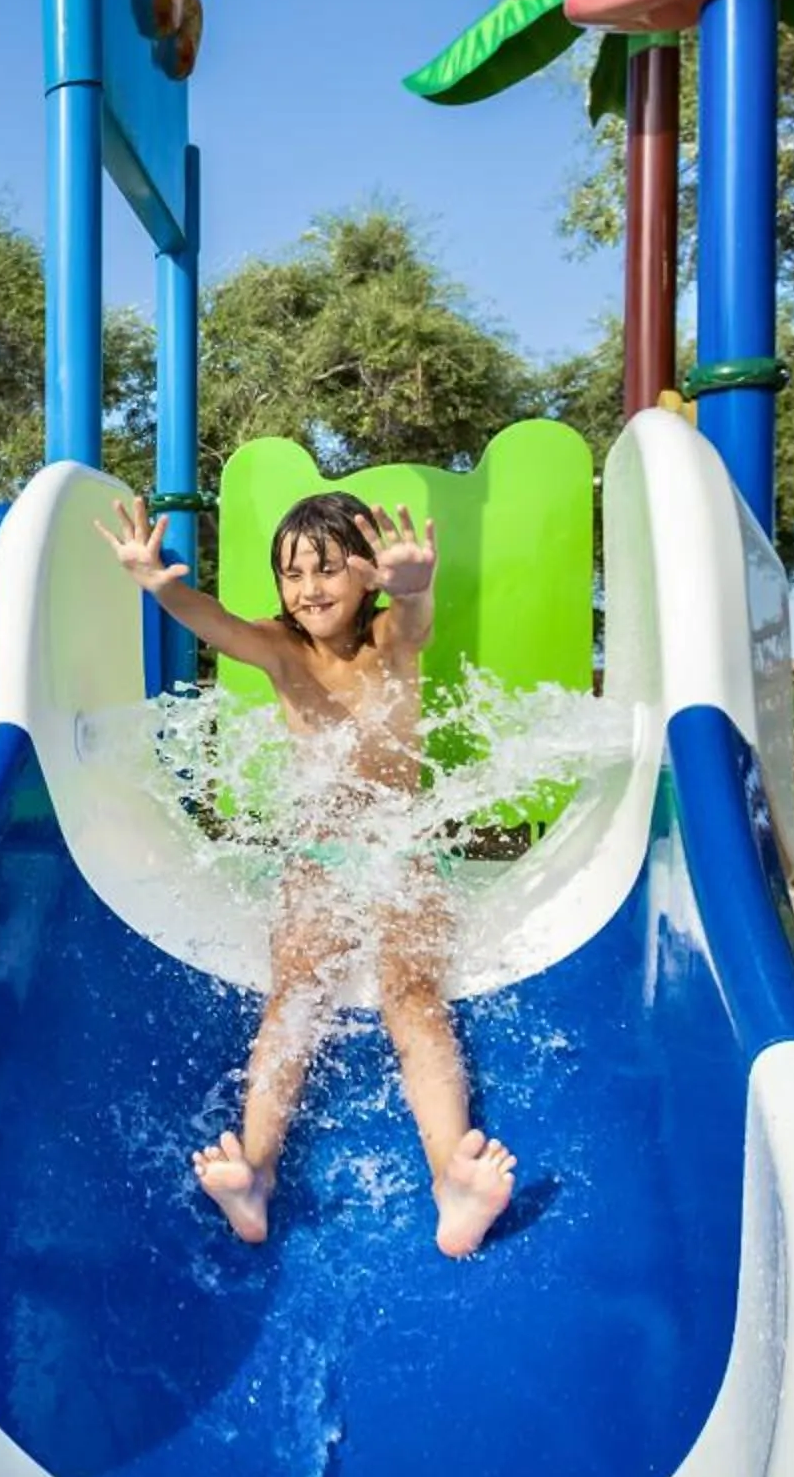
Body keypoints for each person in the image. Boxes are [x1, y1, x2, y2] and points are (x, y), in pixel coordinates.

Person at [97, 492, 517, 1257]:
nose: (309, 588)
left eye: (328, 568)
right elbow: (214, 623)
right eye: (292, 573)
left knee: (413, 993)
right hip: (318, 857)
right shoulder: (279, 649)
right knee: (296, 989)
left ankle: (451, 1182)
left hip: (400, 846)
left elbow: (415, 619)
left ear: (366, 575)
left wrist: (417, 583)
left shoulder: (390, 638)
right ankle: (254, 1173)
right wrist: (164, 590)